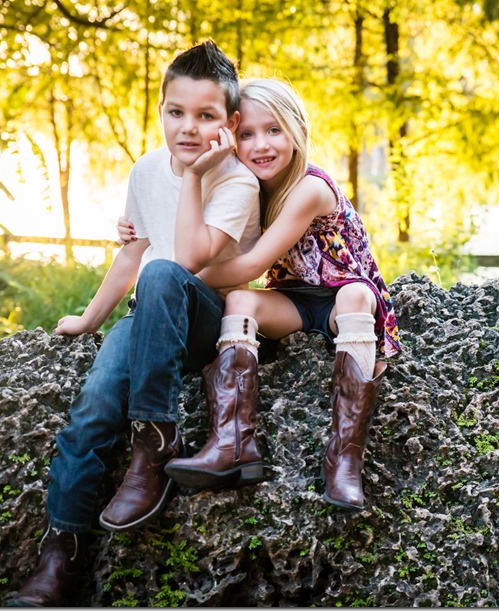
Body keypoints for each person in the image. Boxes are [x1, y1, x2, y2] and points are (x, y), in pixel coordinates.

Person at [7, 41, 261, 607]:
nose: (188, 129)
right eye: (176, 112)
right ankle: (60, 552)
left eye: (206, 116)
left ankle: (154, 443)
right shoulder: (146, 169)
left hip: (204, 320)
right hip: (146, 316)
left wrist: (197, 175)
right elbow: (133, 253)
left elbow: (191, 260)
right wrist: (89, 318)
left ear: (231, 122)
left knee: (167, 275)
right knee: (93, 405)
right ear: (161, 110)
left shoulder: (236, 182)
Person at [120, 78, 400, 511]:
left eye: (274, 130)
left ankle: (344, 460)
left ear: (298, 131)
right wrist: (139, 232)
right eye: (246, 134)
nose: (260, 145)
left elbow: (250, 265)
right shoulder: (246, 184)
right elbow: (212, 239)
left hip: (341, 296)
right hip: (292, 299)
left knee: (356, 298)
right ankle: (232, 442)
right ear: (230, 136)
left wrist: (174, 275)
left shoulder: (309, 188)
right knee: (241, 301)